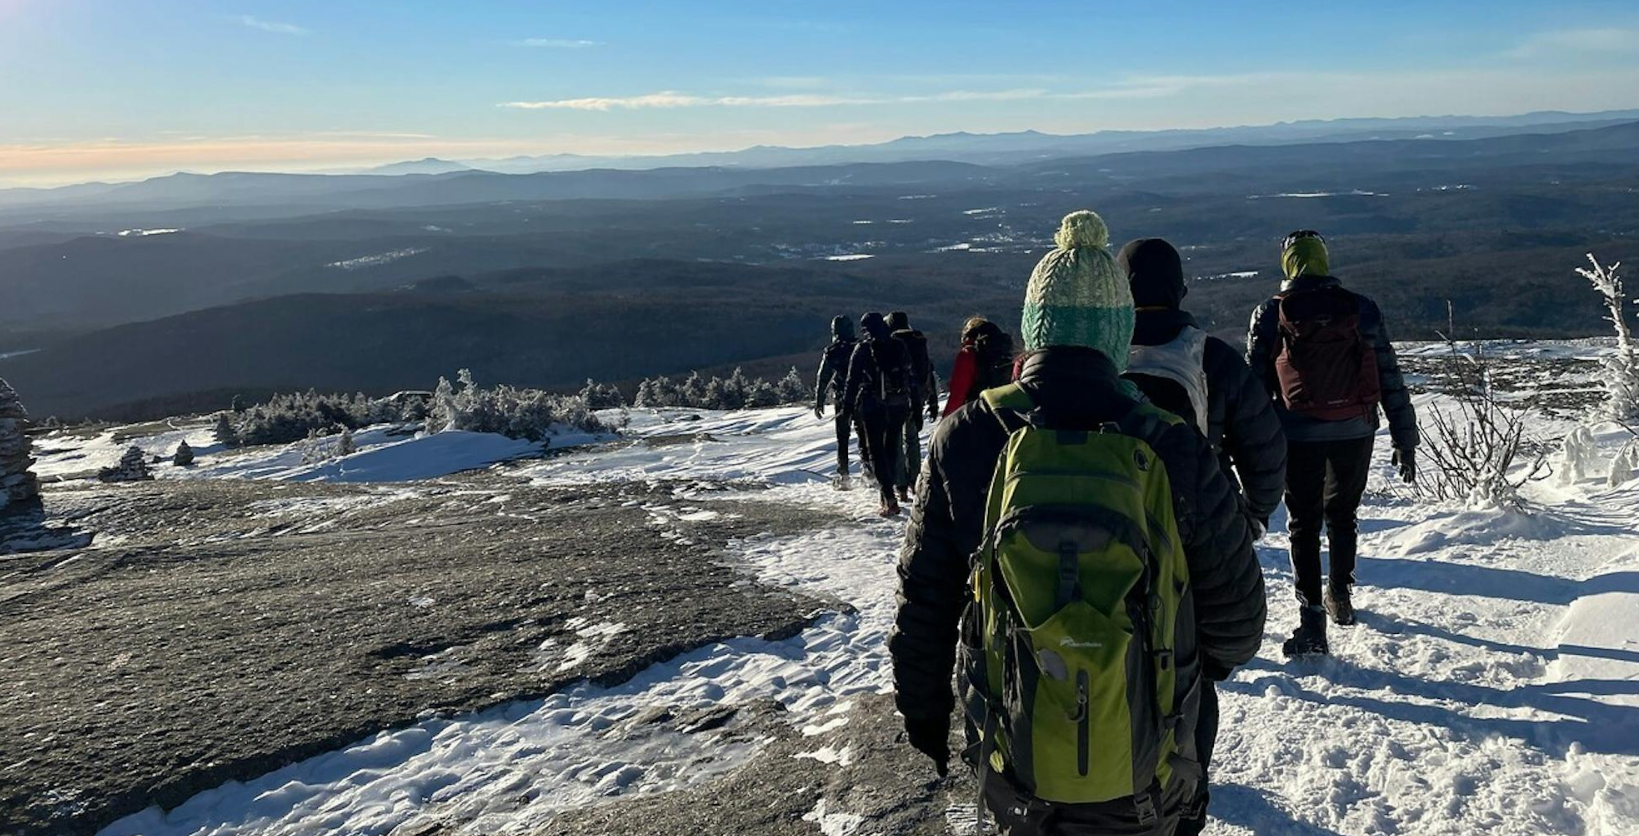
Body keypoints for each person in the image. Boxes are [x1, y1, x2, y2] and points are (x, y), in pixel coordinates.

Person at [892, 210, 1266, 836]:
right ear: (1117, 334)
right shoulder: (1171, 442)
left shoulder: (969, 435)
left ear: (1034, 327)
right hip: (1154, 768)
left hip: (1019, 757)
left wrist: (927, 721)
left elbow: (924, 602)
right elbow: (1238, 626)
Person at [1120, 237, 1287, 836]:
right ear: (1180, 287)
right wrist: (1248, 519)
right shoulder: (1210, 357)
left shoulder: (1098, 357)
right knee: (1188, 674)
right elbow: (1266, 450)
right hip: (1189, 543)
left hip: (1107, 540)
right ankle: (1181, 799)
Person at [1246, 230, 1419, 657]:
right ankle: (1340, 596)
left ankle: (1311, 624)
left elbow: (1254, 387)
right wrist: (1404, 435)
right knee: (1343, 515)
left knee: (1303, 525)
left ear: (1288, 264)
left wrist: (1249, 448)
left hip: (1297, 432)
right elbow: (1389, 375)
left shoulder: (1271, 313)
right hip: (1355, 429)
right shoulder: (1362, 309)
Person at [844, 312, 915, 517]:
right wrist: (915, 404)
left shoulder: (863, 349)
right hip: (899, 405)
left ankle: (887, 497)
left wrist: (847, 409)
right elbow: (910, 376)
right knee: (892, 447)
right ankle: (890, 491)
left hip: (872, 406)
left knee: (876, 451)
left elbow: (852, 381)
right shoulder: (899, 345)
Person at [886, 311, 940, 504]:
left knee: (897, 443)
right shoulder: (918, 340)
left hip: (898, 399)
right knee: (912, 439)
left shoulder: (891, 342)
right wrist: (932, 399)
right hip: (920, 396)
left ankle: (900, 486)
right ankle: (915, 481)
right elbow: (929, 369)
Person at [813, 315, 865, 484]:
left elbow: (823, 377)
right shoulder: (861, 347)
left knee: (842, 437)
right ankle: (869, 471)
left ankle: (843, 474)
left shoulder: (832, 351)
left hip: (842, 398)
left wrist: (819, 399)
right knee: (864, 435)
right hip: (862, 396)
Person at [941, 316, 1016, 417]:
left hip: (974, 414)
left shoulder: (968, 354)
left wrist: (946, 420)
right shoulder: (1003, 351)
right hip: (1003, 411)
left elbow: (958, 393)